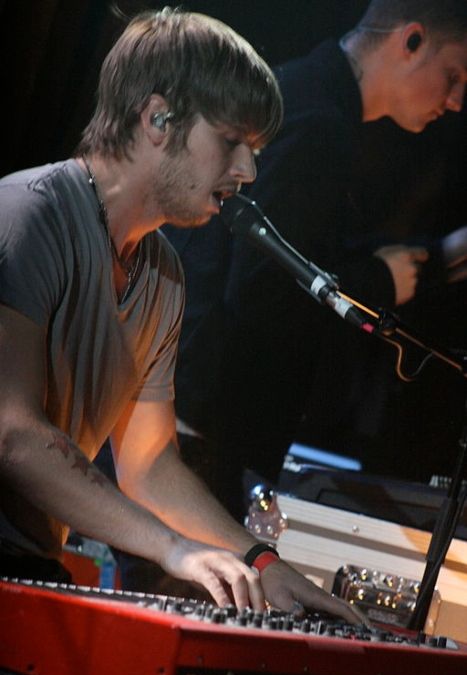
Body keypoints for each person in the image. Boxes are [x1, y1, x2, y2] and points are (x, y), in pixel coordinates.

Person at [0, 7, 363, 623]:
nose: (248, 171)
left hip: (29, 571)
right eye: (232, 142)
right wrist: (174, 549)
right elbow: (13, 435)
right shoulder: (28, 216)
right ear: (158, 118)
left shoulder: (163, 274)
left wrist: (260, 563)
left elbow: (147, 465)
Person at [170, 0, 467, 518]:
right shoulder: (318, 122)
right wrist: (377, 279)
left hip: (201, 427)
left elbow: (297, 249)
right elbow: (261, 289)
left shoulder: (308, 97)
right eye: (454, 74)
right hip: (203, 436)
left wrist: (430, 259)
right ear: (411, 41)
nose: (459, 100)